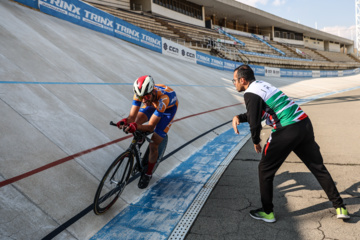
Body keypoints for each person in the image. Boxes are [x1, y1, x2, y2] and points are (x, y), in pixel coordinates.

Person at [231, 64, 350, 223]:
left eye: (234, 81)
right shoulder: (262, 85)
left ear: (243, 80)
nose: (234, 84)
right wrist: (239, 116)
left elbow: (255, 122)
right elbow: (261, 112)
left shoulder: (250, 93)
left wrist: (256, 141)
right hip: (303, 123)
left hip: (286, 130)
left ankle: (268, 212)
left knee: (264, 169)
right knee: (318, 168)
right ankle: (340, 206)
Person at [117, 75, 178, 189]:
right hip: (153, 103)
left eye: (146, 96)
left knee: (154, 143)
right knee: (137, 120)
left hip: (167, 110)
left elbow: (150, 127)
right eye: (141, 98)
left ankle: (148, 174)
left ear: (152, 92)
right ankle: (140, 138)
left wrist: (135, 126)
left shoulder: (163, 99)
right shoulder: (140, 94)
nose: (144, 100)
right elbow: (131, 117)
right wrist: (124, 121)